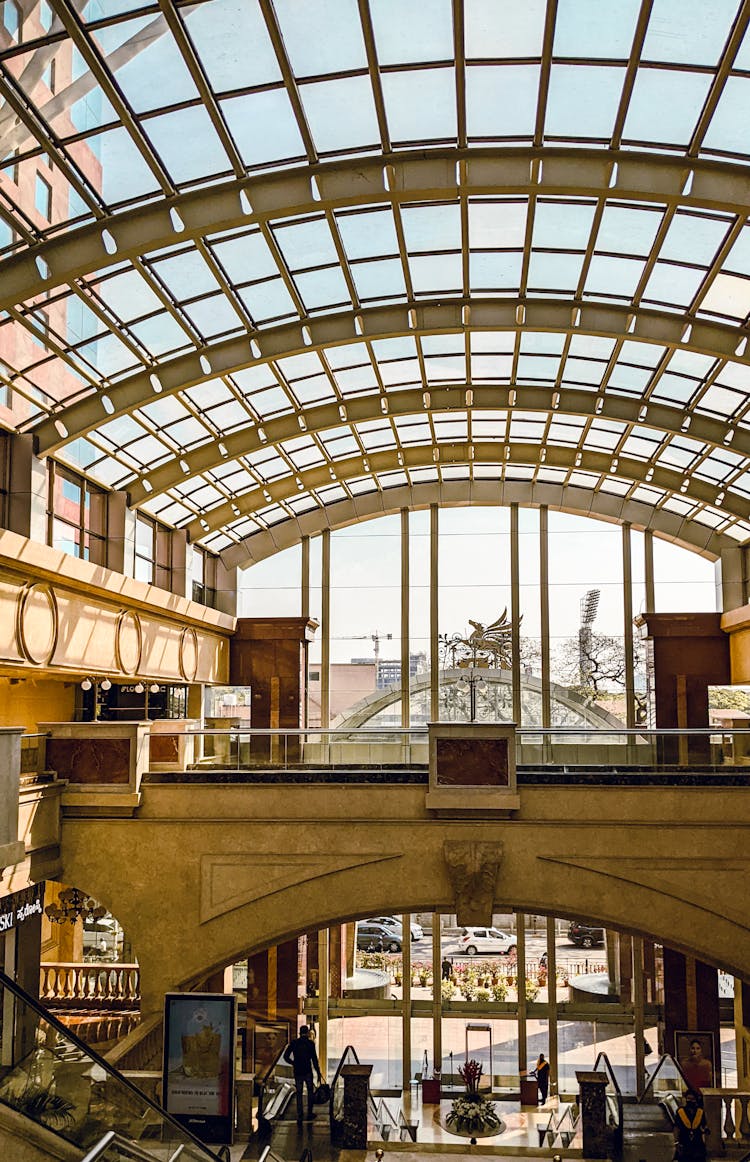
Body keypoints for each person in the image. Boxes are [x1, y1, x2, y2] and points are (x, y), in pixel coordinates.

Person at [284, 1025, 323, 1124]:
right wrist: (318, 1073)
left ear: (299, 1033)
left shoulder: (294, 1043)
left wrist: (293, 1063)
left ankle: (300, 1115)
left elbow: (285, 1056)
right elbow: (314, 1059)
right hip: (307, 1071)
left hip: (298, 1071)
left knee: (299, 1093)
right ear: (308, 1033)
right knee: (310, 1092)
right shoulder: (310, 1044)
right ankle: (309, 1113)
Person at [674, 1091, 709, 1162]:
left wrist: (705, 1130)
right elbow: (676, 1127)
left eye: (692, 1099)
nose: (690, 1101)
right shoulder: (680, 1112)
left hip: (697, 1143)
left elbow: (703, 1125)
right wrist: (676, 1142)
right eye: (688, 1098)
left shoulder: (700, 1112)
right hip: (684, 1142)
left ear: (696, 1100)